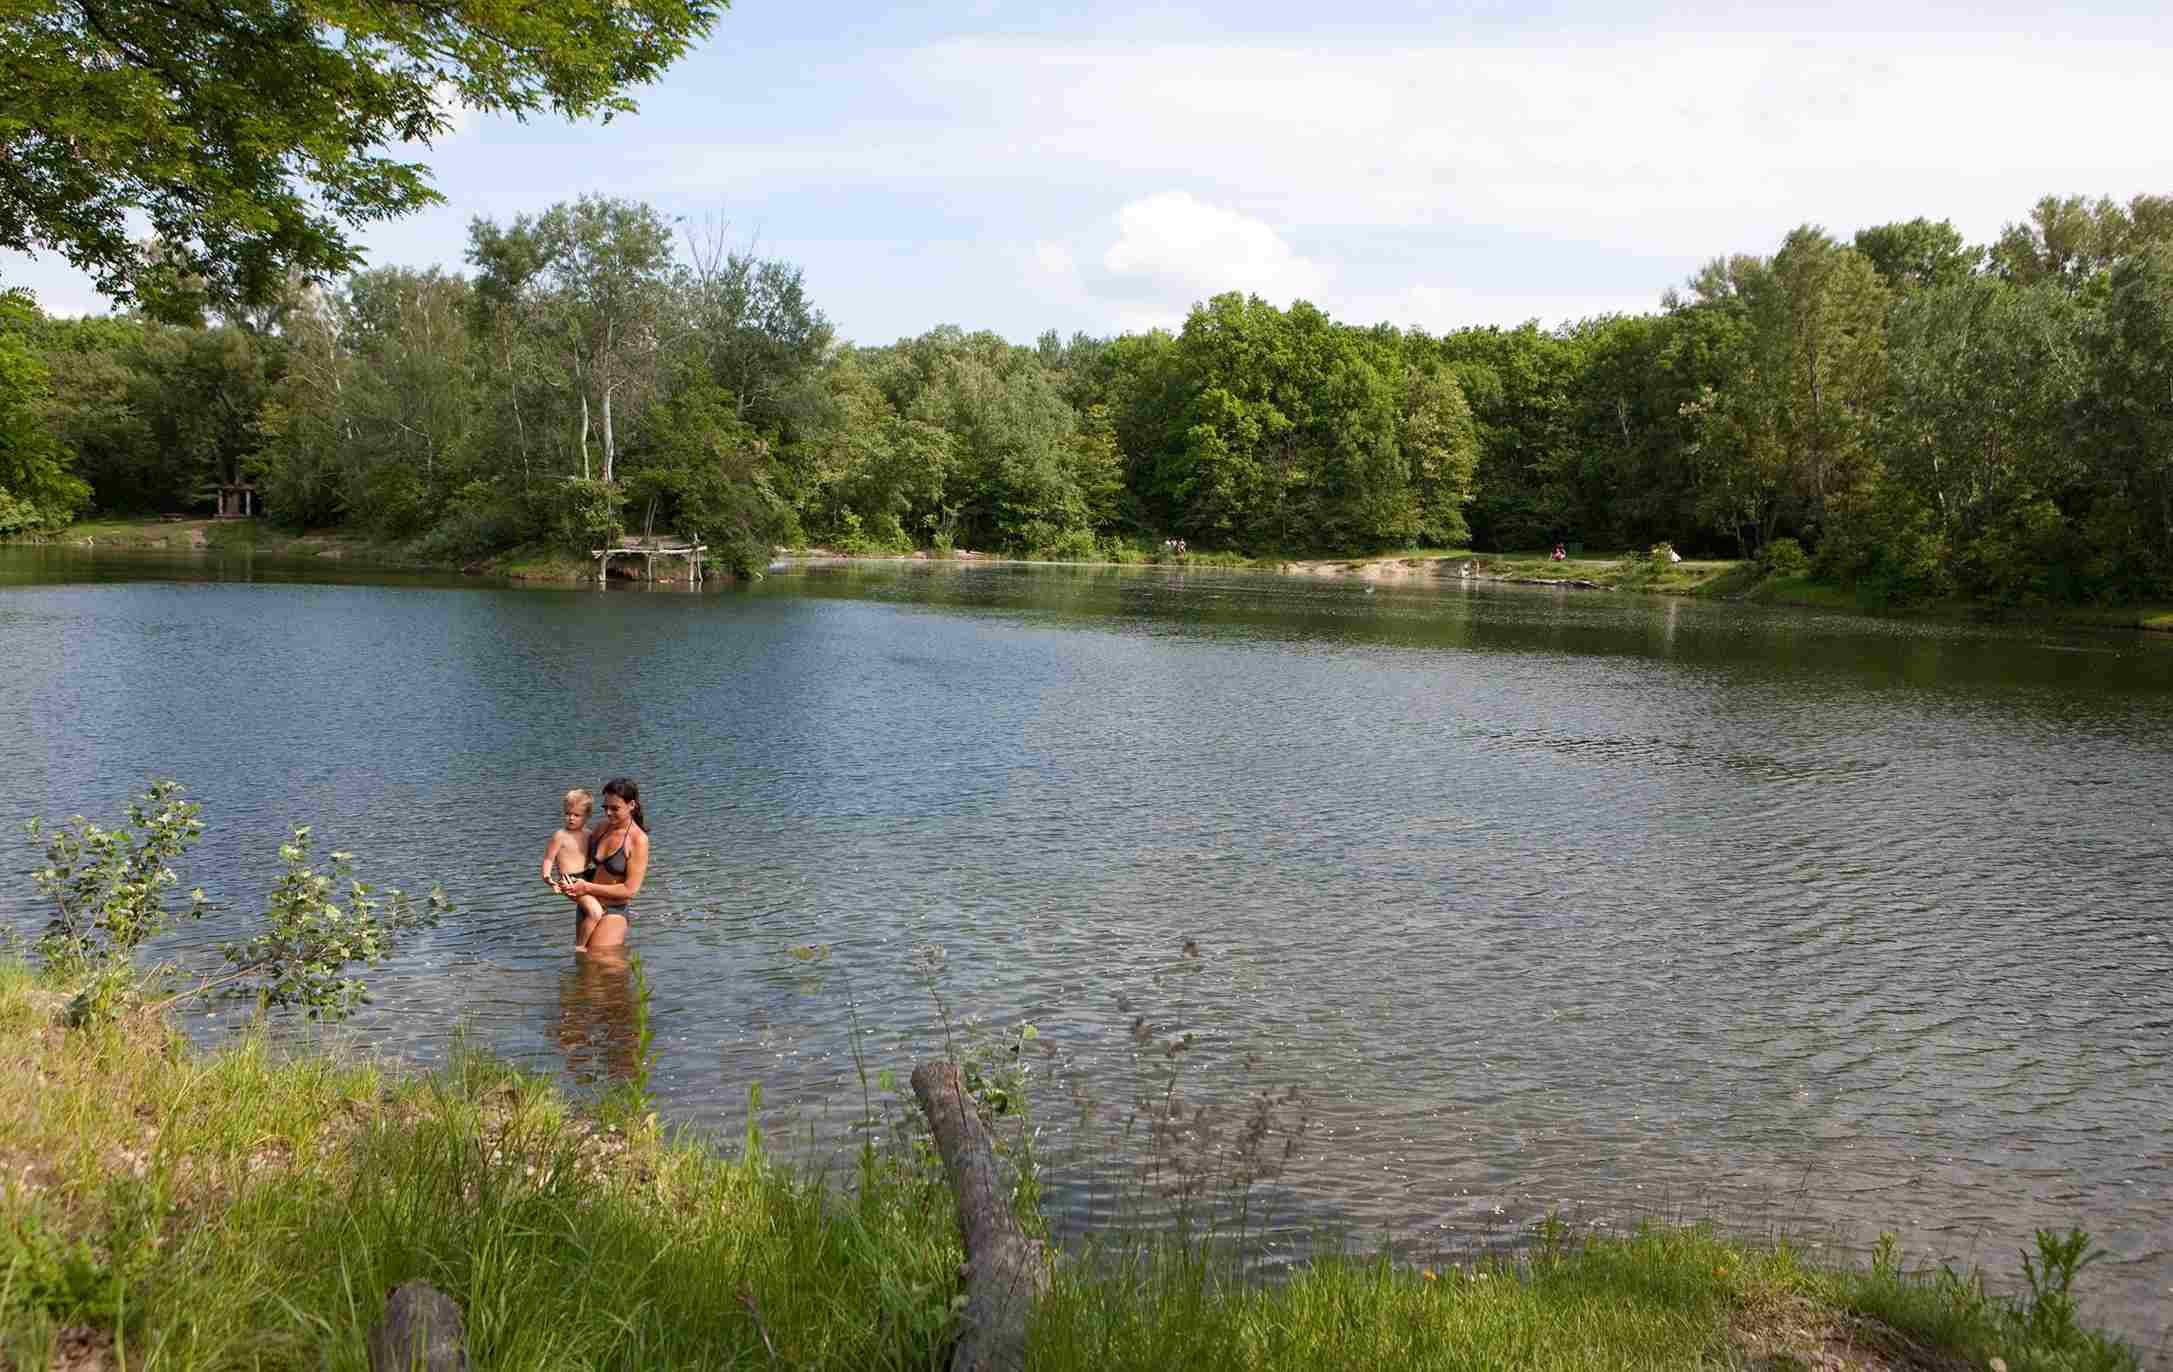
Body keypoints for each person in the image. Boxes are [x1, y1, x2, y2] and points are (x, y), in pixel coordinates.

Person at [560, 777, 649, 953]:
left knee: (597, 964)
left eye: (614, 808)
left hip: (614, 911)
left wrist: (587, 887)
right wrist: (565, 877)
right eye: (605, 808)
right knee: (584, 966)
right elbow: (578, 857)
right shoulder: (602, 828)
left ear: (631, 805)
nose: (608, 813)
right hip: (588, 905)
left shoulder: (638, 840)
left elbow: (630, 890)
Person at [542, 789, 606, 942]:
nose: (571, 818)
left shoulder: (589, 834)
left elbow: (595, 856)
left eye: (577, 815)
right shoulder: (560, 836)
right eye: (568, 813)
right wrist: (548, 878)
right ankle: (581, 947)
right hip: (569, 879)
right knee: (596, 912)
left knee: (602, 908)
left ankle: (595, 941)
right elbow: (549, 859)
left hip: (588, 876)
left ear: (587, 816)